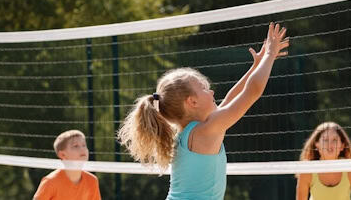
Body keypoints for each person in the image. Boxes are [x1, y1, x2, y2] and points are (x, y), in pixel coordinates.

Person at [117, 23, 289, 199]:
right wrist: (269, 55)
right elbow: (252, 92)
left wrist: (256, 66)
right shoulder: (205, 131)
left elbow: (230, 99)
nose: (212, 91)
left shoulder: (191, 132)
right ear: (192, 101)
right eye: (204, 88)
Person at [295, 122, 351, 200]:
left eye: (334, 140)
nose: (330, 145)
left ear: (342, 145)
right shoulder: (306, 170)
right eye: (325, 140)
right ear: (317, 144)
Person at [33, 130, 100, 200]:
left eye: (84, 145)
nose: (82, 149)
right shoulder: (50, 181)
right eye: (76, 146)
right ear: (62, 154)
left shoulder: (92, 181)